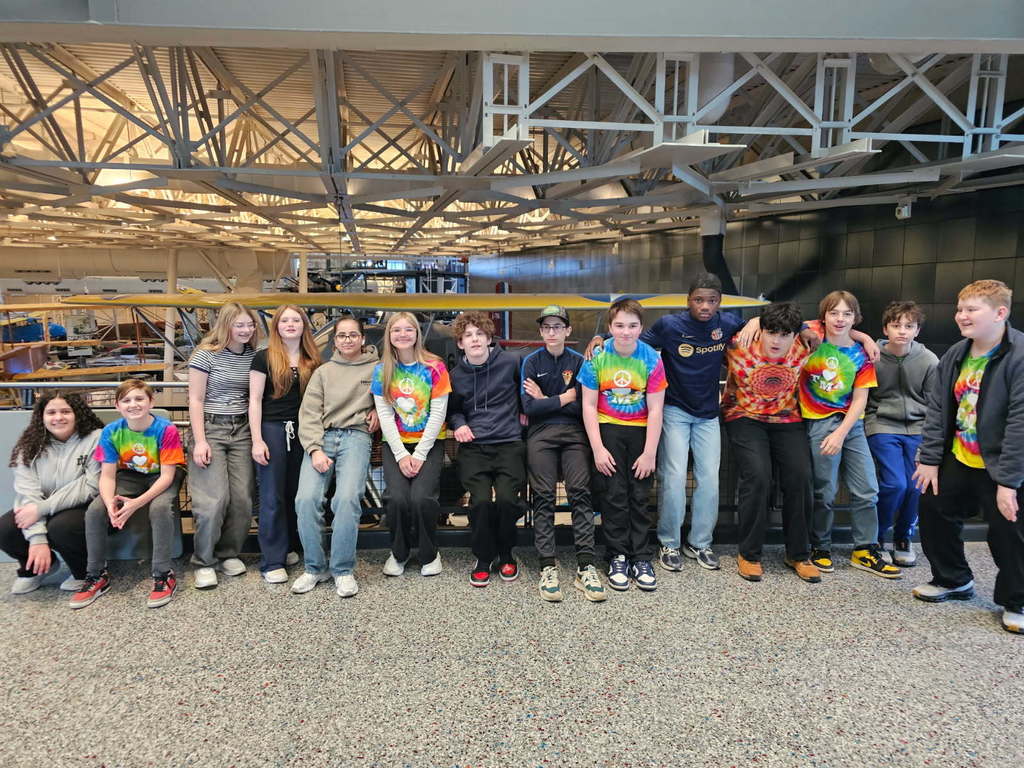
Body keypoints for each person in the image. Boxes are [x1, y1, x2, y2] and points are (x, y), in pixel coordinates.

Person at [587, 274, 742, 573]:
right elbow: (629, 341)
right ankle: (669, 542)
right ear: (688, 300)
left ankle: (700, 542)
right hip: (674, 410)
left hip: (708, 413)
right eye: (699, 299)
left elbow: (764, 321)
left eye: (711, 300)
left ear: (719, 303)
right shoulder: (670, 326)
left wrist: (802, 328)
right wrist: (599, 340)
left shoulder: (729, 323)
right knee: (672, 478)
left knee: (710, 479)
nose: (705, 306)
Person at [912, 280, 1024, 635]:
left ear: (1000, 312)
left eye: (972, 309)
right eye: (960, 309)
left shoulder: (1019, 356)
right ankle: (953, 579)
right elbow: (938, 409)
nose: (961, 316)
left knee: (1009, 532)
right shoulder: (957, 354)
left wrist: (1008, 482)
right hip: (960, 455)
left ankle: (1016, 600)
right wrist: (929, 459)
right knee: (933, 508)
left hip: (1002, 463)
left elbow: (1021, 422)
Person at [801, 291, 900, 579]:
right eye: (834, 313)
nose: (840, 319)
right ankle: (820, 546)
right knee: (825, 490)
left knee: (867, 487)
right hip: (817, 422)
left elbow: (860, 399)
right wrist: (865, 335)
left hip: (850, 425)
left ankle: (865, 549)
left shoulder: (862, 354)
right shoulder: (811, 339)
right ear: (824, 317)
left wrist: (841, 433)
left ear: (855, 317)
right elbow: (792, 322)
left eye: (847, 314)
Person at [721, 302, 820, 583]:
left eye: (784, 334)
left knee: (800, 477)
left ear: (794, 334)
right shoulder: (739, 344)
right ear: (762, 330)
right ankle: (749, 554)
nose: (777, 340)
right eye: (771, 332)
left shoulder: (807, 342)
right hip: (743, 415)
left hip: (787, 418)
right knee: (759, 476)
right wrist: (753, 320)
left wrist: (862, 338)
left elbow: (838, 323)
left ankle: (799, 554)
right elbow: (713, 323)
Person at [72, 379, 186, 609]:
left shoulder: (166, 429)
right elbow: (107, 476)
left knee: (160, 508)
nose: (133, 404)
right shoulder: (111, 432)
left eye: (139, 398)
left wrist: (135, 504)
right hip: (130, 475)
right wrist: (109, 506)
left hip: (162, 475)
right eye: (126, 400)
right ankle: (96, 575)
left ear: (151, 401)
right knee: (95, 511)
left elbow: (166, 477)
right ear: (117, 406)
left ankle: (163, 573)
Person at [580, 298, 667, 591]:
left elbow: (656, 408)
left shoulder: (652, 359)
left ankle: (641, 556)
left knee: (639, 496)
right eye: (619, 325)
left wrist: (649, 453)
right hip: (608, 430)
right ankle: (617, 555)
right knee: (613, 495)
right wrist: (598, 448)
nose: (626, 332)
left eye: (632, 326)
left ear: (641, 327)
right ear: (609, 328)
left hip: (641, 432)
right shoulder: (597, 358)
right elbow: (589, 406)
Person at [521, 305, 606, 602]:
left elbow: (583, 405)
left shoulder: (581, 363)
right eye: (547, 327)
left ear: (568, 330)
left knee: (580, 492)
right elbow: (529, 408)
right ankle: (547, 565)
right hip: (541, 434)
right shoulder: (530, 362)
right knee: (543, 495)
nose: (552, 332)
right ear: (541, 331)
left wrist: (546, 399)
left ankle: (586, 565)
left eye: (558, 326)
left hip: (574, 433)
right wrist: (560, 398)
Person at [293, 315, 378, 598]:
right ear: (335, 341)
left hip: (356, 437)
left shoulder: (377, 368)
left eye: (353, 335)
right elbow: (309, 414)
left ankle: (342, 569)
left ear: (363, 338)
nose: (347, 340)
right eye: (342, 336)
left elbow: (390, 397)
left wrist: (379, 410)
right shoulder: (323, 372)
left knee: (346, 499)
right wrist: (315, 449)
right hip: (323, 438)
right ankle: (314, 567)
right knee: (305, 500)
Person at [187, 302, 262, 589]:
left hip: (242, 428)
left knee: (242, 499)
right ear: (226, 326)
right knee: (213, 500)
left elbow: (255, 397)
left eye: (249, 325)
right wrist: (201, 440)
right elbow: (195, 399)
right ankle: (204, 560)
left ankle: (229, 551)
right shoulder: (206, 355)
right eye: (239, 324)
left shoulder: (254, 356)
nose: (245, 330)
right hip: (211, 428)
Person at [448, 311, 526, 588]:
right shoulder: (456, 375)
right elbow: (454, 410)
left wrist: (525, 409)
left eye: (479, 334)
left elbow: (525, 392)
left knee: (506, 500)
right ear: (460, 343)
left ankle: (506, 553)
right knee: (480, 501)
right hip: (475, 446)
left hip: (509, 443)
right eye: (468, 335)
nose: (474, 339)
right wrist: (459, 424)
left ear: (490, 338)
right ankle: (483, 557)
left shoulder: (511, 362)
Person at [372, 311, 450, 577]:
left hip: (428, 444)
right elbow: (384, 415)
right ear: (389, 336)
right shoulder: (382, 371)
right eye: (397, 330)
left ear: (417, 334)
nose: (403, 335)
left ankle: (429, 554)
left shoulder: (435, 367)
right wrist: (401, 455)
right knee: (396, 499)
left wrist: (418, 454)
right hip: (396, 445)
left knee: (422, 498)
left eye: (409, 329)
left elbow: (438, 413)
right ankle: (399, 553)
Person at [1, 393, 102, 595]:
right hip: (40, 505)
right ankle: (38, 568)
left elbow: (91, 485)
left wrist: (42, 508)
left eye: (65, 411)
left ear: (77, 414)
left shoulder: (96, 438)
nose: (58, 417)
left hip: (81, 506)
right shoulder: (28, 446)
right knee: (5, 529)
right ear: (41, 416)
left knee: (62, 527)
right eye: (51, 412)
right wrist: (37, 538)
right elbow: (27, 492)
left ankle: (85, 572)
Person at [249, 305, 321, 583]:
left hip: (304, 431)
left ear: (304, 325)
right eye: (284, 320)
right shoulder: (263, 358)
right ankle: (272, 560)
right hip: (272, 430)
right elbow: (254, 400)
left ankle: (291, 545)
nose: (290, 324)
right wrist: (257, 440)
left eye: (296, 320)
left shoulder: (312, 359)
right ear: (276, 326)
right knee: (271, 495)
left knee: (296, 492)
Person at [865, 301, 937, 567]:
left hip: (919, 428)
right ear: (886, 328)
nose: (902, 332)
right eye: (896, 326)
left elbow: (936, 405)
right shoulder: (872, 355)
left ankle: (903, 536)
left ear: (917, 330)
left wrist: (928, 441)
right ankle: (878, 536)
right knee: (896, 483)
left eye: (909, 326)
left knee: (916, 485)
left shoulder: (929, 360)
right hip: (882, 425)